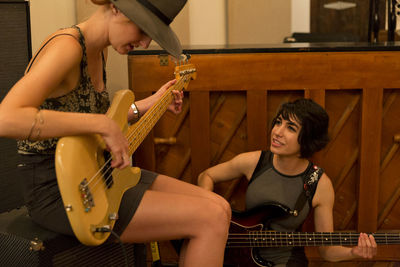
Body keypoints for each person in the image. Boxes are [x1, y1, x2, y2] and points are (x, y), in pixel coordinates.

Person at [0, 1, 230, 266]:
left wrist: (152, 102)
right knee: (208, 218)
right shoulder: (67, 47)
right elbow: (6, 118)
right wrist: (100, 124)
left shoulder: (99, 51)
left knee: (220, 207)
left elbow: (97, 118)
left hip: (100, 171)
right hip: (61, 189)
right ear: (117, 8)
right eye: (143, 30)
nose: (145, 44)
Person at [198, 98, 377, 266]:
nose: (277, 132)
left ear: (308, 138)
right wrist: (208, 213)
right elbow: (206, 176)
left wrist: (354, 252)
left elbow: (327, 250)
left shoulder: (319, 184)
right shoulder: (254, 162)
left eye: (291, 128)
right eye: (278, 122)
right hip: (239, 259)